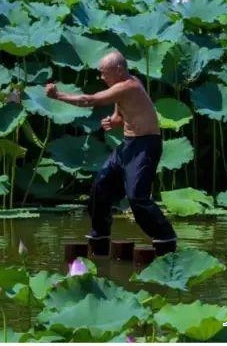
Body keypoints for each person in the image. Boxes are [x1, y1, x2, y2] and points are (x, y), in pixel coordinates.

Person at [45, 50, 177, 256]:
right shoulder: (123, 85)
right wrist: (116, 120)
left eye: (104, 72)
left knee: (137, 197)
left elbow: (89, 100)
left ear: (119, 70)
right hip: (128, 144)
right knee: (101, 185)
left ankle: (166, 238)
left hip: (145, 146)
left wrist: (58, 95)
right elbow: (122, 110)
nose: (101, 77)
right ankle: (100, 233)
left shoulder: (130, 85)